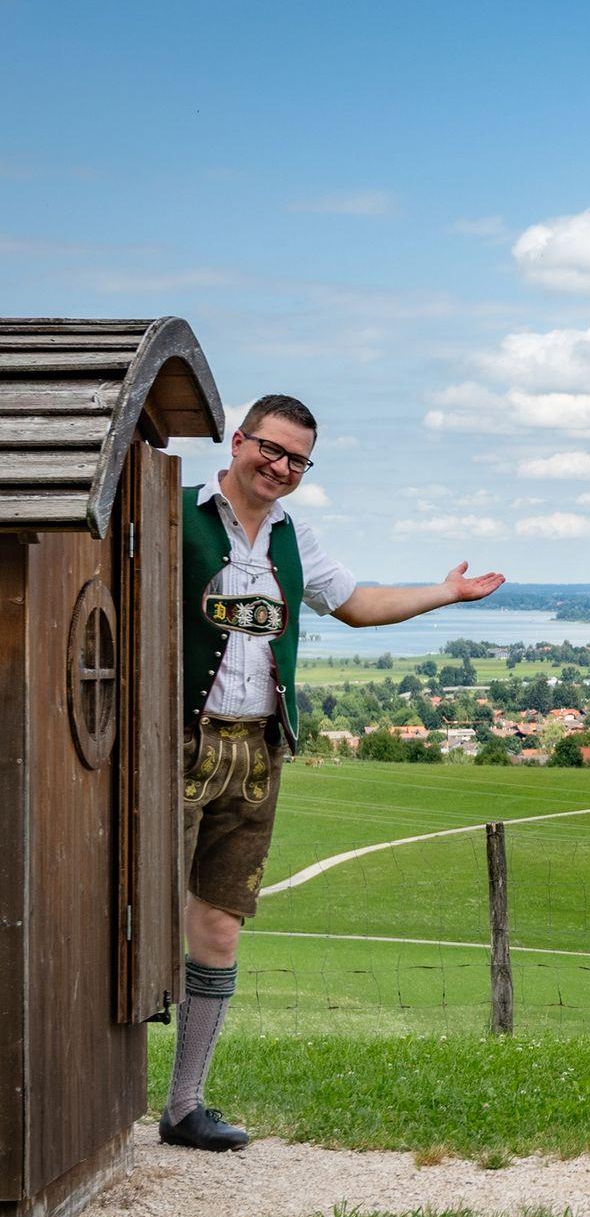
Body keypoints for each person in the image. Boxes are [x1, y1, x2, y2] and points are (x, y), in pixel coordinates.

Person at [164, 393, 505, 1152]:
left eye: (297, 460)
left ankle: (184, 1106)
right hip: (172, 744)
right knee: (139, 914)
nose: (280, 467)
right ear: (238, 441)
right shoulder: (172, 513)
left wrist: (447, 592)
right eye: (270, 449)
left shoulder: (294, 537)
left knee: (219, 922)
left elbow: (356, 603)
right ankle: (88, 1099)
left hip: (258, 748)